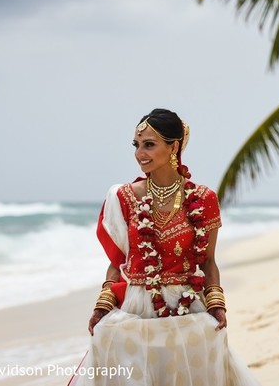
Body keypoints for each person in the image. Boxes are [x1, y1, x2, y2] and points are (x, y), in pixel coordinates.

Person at [67, 108, 261, 385]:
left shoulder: (203, 198)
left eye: (149, 144)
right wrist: (101, 307)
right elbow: (117, 261)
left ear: (174, 146)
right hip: (136, 306)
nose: (139, 153)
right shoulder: (122, 197)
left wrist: (217, 305)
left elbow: (207, 261)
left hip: (186, 305)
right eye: (136, 145)